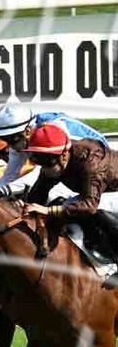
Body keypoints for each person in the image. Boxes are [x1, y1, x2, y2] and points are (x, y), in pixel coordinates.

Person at [22, 123, 118, 288]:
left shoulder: (90, 163)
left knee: (93, 211)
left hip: (109, 193)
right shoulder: (54, 160)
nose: (45, 168)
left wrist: (48, 210)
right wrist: (24, 206)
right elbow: (37, 194)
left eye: (47, 161)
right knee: (60, 204)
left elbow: (89, 205)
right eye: (39, 161)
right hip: (102, 192)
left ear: (64, 155)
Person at [0, 104, 107, 196]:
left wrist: (3, 191)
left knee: (51, 194)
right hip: (74, 169)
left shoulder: (52, 132)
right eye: (5, 139)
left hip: (98, 168)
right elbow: (10, 175)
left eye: (11, 139)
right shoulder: (21, 137)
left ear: (27, 131)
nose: (10, 146)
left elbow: (40, 174)